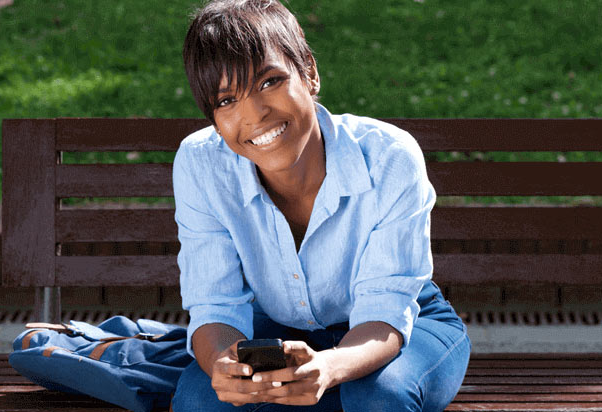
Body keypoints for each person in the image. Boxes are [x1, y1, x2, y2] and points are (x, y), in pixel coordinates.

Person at [171, 1, 470, 410]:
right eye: (226, 101)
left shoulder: (389, 157)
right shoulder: (200, 163)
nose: (254, 115)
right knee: (200, 401)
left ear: (309, 72)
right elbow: (215, 304)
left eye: (268, 82)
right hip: (276, 329)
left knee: (379, 397)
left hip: (401, 323)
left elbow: (386, 305)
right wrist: (225, 365)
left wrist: (329, 367)